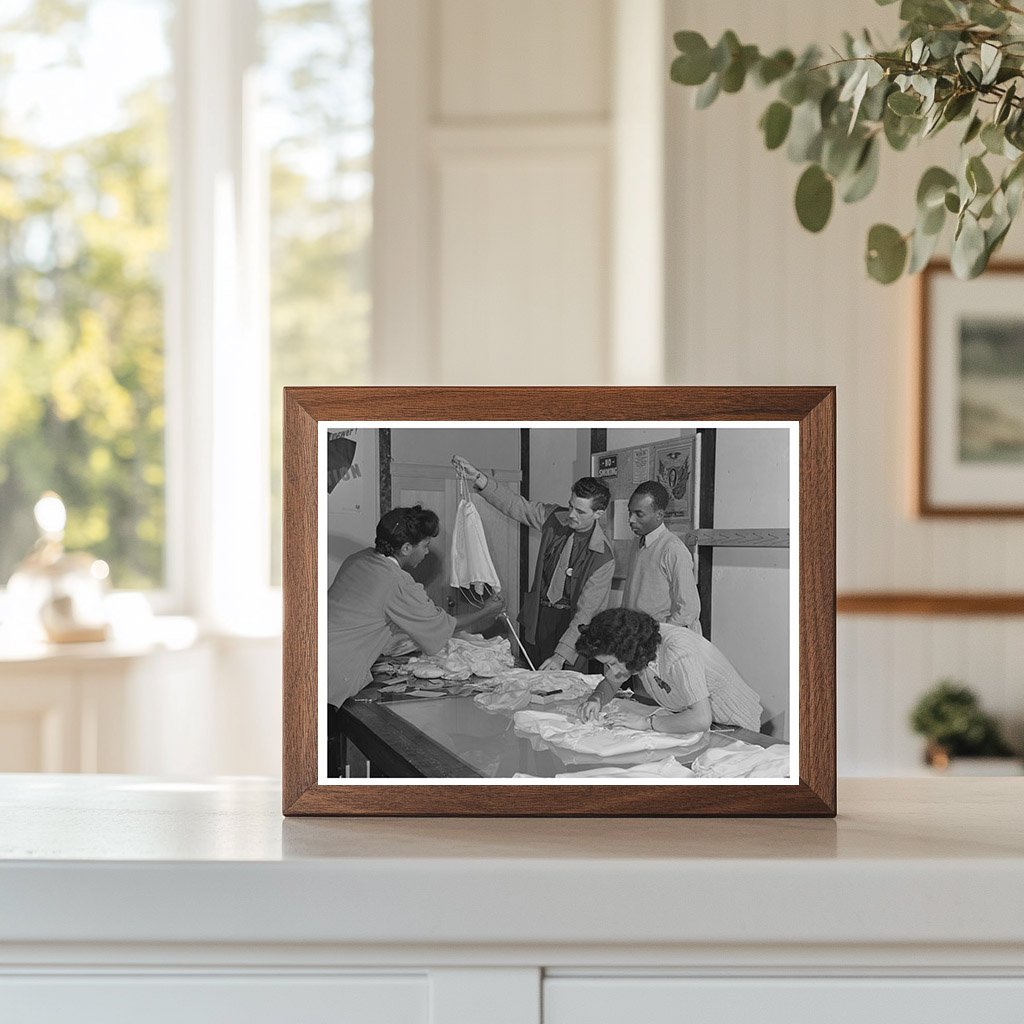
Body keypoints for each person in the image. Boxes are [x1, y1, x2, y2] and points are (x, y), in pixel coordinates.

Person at [326, 505, 504, 707]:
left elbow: (362, 614)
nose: (427, 552)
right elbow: (445, 625)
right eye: (425, 545)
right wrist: (486, 611)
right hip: (333, 672)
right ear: (406, 548)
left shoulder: (358, 559)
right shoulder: (397, 582)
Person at [451, 454, 614, 672]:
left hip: (573, 630)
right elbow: (517, 506)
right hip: (538, 621)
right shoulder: (556, 518)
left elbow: (586, 613)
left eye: (580, 511)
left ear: (599, 514)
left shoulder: (603, 557)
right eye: (571, 506)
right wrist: (479, 478)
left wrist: (560, 656)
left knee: (563, 691)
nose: (571, 514)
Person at [574, 607, 762, 734]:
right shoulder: (637, 645)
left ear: (627, 651)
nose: (612, 671)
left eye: (613, 663)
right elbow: (610, 683)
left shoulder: (678, 651)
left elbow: (700, 718)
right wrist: (596, 699)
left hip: (735, 727)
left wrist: (645, 723)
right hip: (698, 722)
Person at [623, 480, 701, 634]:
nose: (631, 520)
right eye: (630, 512)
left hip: (660, 640)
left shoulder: (673, 549)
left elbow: (688, 610)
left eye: (639, 514)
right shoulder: (637, 543)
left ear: (659, 515)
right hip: (637, 638)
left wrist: (661, 636)